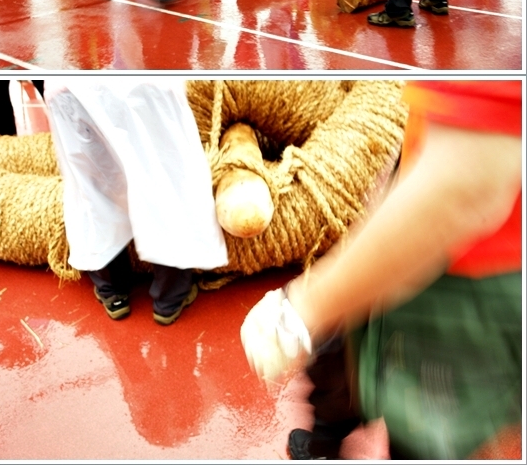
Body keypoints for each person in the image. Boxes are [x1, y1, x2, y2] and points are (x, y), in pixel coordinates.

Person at [242, 79, 521, 463]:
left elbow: (467, 186)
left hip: (466, 276)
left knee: (425, 437)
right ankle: (327, 438)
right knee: (344, 343)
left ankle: (328, 437)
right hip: (452, 251)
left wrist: (302, 309)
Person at [45, 78, 227, 324]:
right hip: (141, 81)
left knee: (94, 189)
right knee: (166, 182)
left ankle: (113, 291)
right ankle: (169, 298)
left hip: (69, 88)